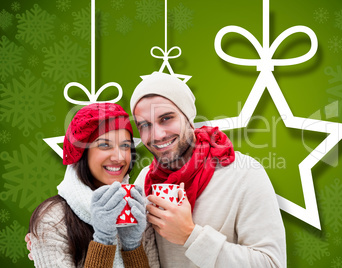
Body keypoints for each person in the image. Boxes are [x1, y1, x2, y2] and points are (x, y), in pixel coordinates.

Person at [131, 72, 287, 267]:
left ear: (188, 117)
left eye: (166, 119)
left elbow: (272, 264)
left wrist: (190, 236)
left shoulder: (244, 174)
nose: (157, 135)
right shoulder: (145, 180)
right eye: (144, 125)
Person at [28, 103, 150, 267]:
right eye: (105, 145)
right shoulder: (52, 220)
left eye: (125, 145)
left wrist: (132, 246)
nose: (119, 157)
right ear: (82, 152)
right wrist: (103, 239)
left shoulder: (136, 210)